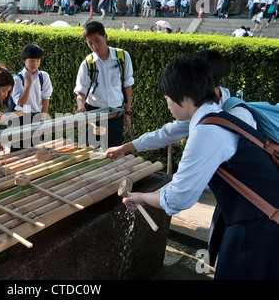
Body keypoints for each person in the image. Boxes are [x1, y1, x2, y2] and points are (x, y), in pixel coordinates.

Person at [113, 55, 279, 280]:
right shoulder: (217, 117)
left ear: (183, 98)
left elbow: (179, 197)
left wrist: (142, 197)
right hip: (260, 216)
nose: (168, 105)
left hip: (259, 226)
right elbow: (173, 144)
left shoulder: (206, 132)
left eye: (167, 99)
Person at [105, 49, 257, 159]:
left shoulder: (238, 115)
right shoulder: (201, 109)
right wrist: (126, 147)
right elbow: (168, 133)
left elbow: (249, 163)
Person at [74, 21, 134, 149]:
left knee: (113, 151)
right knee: (90, 151)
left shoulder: (122, 57)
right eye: (90, 43)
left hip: (115, 113)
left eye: (97, 41)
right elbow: (81, 91)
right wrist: (80, 106)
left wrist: (128, 112)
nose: (95, 46)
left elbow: (128, 84)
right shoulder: (88, 63)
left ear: (105, 36)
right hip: (93, 113)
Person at [9, 44, 53, 152]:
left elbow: (46, 98)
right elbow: (20, 103)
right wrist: (28, 83)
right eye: (32, 60)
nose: (35, 64)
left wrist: (42, 119)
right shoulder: (17, 79)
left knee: (34, 151)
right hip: (20, 118)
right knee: (17, 151)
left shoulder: (44, 76)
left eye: (38, 60)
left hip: (37, 117)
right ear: (24, 60)